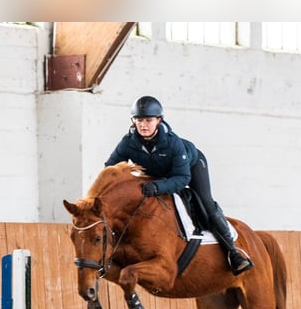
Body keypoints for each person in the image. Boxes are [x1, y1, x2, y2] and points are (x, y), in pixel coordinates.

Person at [105, 95, 253, 275]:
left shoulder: (173, 143)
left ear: (159, 120)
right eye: (139, 120)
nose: (143, 125)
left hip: (191, 167)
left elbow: (182, 178)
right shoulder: (127, 142)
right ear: (133, 121)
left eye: (148, 120)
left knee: (205, 203)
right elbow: (110, 169)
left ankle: (233, 252)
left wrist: (158, 187)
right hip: (158, 174)